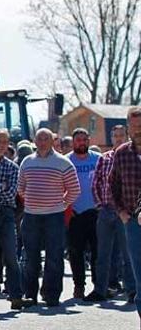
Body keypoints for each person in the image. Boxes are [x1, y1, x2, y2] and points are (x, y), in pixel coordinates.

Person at [18, 129, 81, 307]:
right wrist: (33, 201)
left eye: (47, 138)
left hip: (54, 216)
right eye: (40, 139)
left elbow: (74, 189)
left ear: (53, 141)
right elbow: (21, 187)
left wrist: (62, 204)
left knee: (54, 257)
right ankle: (30, 295)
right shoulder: (27, 161)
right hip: (31, 216)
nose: (43, 142)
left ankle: (51, 295)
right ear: (34, 141)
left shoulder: (63, 162)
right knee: (31, 258)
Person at [108, 107, 141, 330]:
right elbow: (112, 187)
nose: (138, 129)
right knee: (140, 282)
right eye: (135, 125)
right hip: (132, 223)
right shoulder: (121, 154)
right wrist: (121, 213)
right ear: (128, 126)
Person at [88, 125, 132, 302]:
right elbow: (96, 183)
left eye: (122, 135)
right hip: (106, 211)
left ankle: (132, 291)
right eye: (116, 136)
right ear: (111, 138)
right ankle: (100, 290)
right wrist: (99, 204)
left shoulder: (131, 157)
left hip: (126, 212)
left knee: (128, 254)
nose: (119, 138)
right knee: (102, 253)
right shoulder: (104, 158)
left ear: (127, 136)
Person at [0, 129, 24, 310]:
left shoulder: (12, 167)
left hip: (7, 214)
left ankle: (16, 296)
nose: (1, 145)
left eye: (5, 142)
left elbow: (10, 193)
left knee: (11, 256)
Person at [66, 128, 101, 299]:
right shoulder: (66, 161)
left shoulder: (98, 159)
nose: (82, 142)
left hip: (95, 211)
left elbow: (106, 182)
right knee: (75, 251)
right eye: (78, 140)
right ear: (73, 142)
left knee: (97, 251)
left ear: (89, 140)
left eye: (84, 139)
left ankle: (99, 285)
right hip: (74, 213)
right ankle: (79, 285)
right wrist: (67, 208)